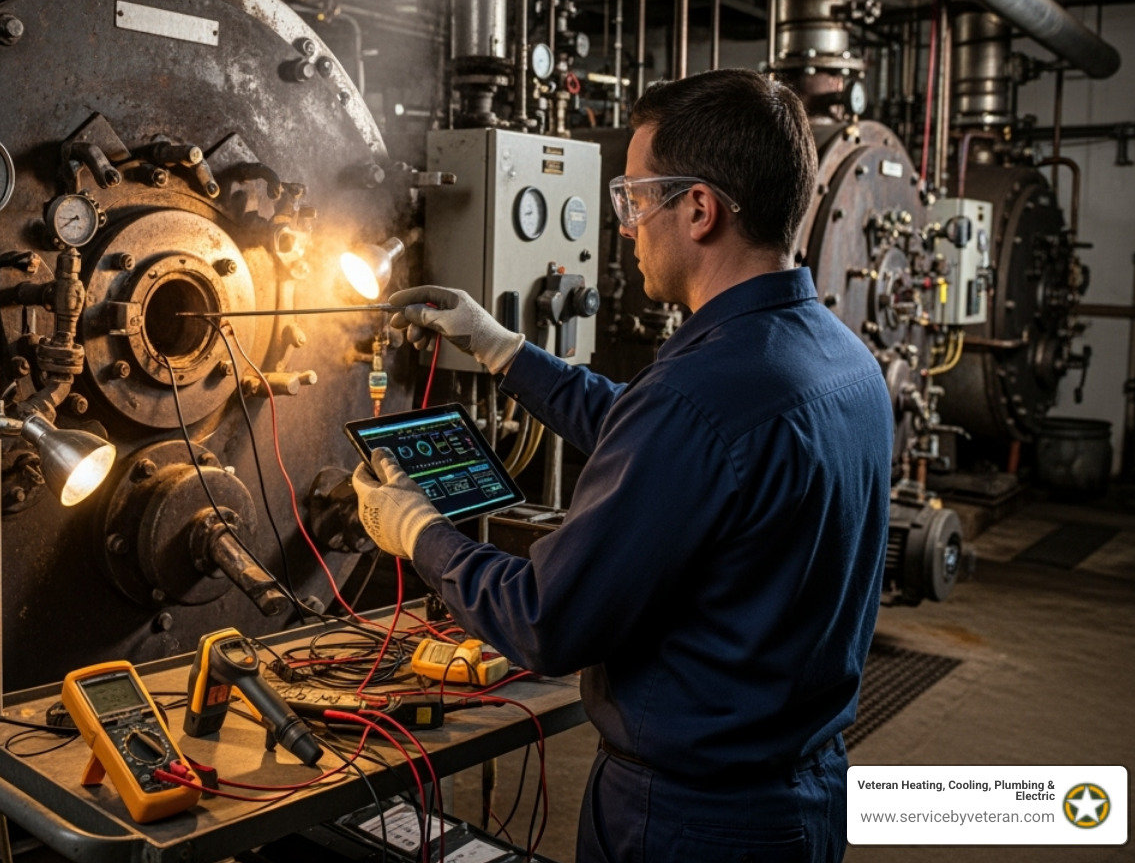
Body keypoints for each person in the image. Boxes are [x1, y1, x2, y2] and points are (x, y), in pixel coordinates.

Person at [351, 69, 892, 862]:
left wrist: (419, 533)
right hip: (803, 797)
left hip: (687, 823)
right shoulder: (842, 360)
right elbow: (666, 446)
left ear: (700, 210)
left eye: (636, 200)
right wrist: (505, 350)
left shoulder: (698, 395)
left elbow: (545, 620)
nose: (628, 228)